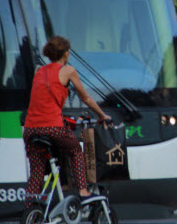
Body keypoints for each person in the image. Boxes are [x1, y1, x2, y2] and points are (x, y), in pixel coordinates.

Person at [23, 36, 111, 204]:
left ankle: (30, 210)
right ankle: (84, 192)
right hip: (53, 128)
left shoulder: (39, 70)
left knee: (37, 171)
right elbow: (85, 98)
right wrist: (101, 115)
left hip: (30, 129)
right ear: (65, 54)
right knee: (75, 150)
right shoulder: (68, 70)